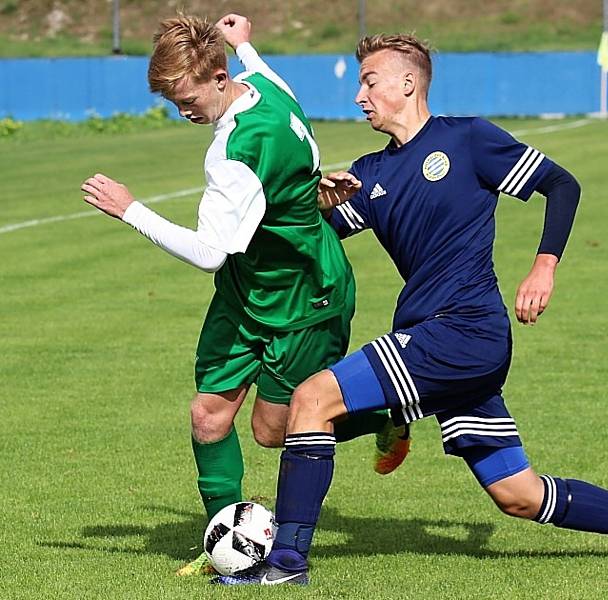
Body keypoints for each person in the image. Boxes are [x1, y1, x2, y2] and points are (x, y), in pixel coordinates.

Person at [213, 29, 608, 587]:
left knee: (312, 398)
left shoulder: (468, 140)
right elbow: (305, 238)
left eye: (370, 81)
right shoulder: (370, 174)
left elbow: (562, 185)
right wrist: (306, 199)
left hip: (462, 331)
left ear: (408, 83)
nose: (359, 95)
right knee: (520, 495)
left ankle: (286, 564)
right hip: (446, 343)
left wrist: (543, 266)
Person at [80, 13, 409, 577]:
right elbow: (263, 71)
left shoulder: (233, 153)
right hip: (245, 292)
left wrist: (129, 208)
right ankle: (224, 548)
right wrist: (246, 42)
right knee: (208, 417)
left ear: (215, 76)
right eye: (169, 98)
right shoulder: (263, 85)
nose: (181, 109)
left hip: (305, 296)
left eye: (185, 96)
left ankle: (385, 414)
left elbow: (210, 251)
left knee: (273, 431)